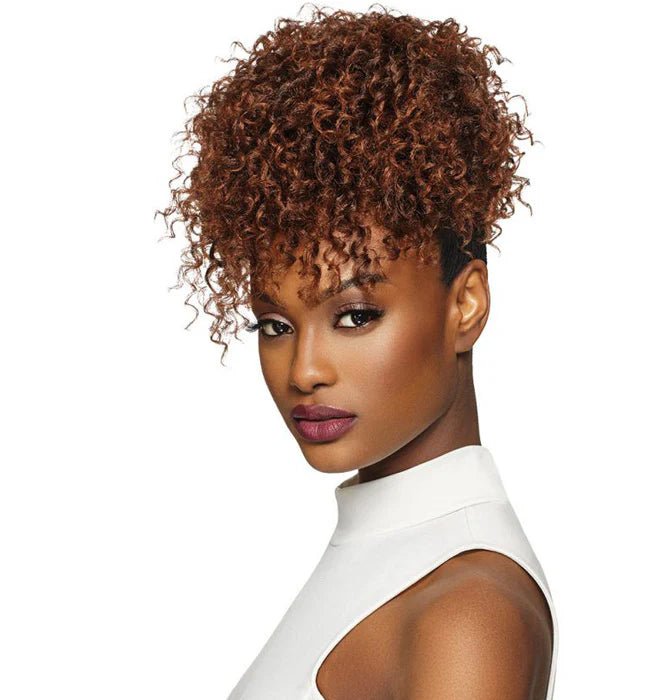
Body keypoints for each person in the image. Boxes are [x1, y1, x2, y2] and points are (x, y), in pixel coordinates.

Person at [158, 5, 558, 698]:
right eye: (275, 326)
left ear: (465, 305)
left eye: (355, 316)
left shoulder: (466, 613)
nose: (304, 371)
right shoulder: (390, 557)